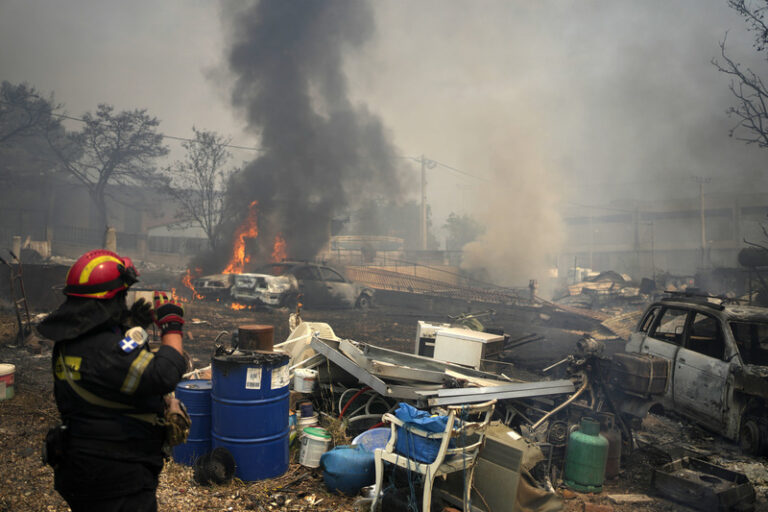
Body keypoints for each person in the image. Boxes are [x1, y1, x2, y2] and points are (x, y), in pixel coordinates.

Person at [38, 249, 187, 512]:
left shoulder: (69, 341)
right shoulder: (105, 352)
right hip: (116, 476)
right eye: (120, 297)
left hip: (83, 466)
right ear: (108, 300)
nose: (123, 302)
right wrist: (171, 325)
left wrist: (131, 325)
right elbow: (164, 374)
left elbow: (111, 359)